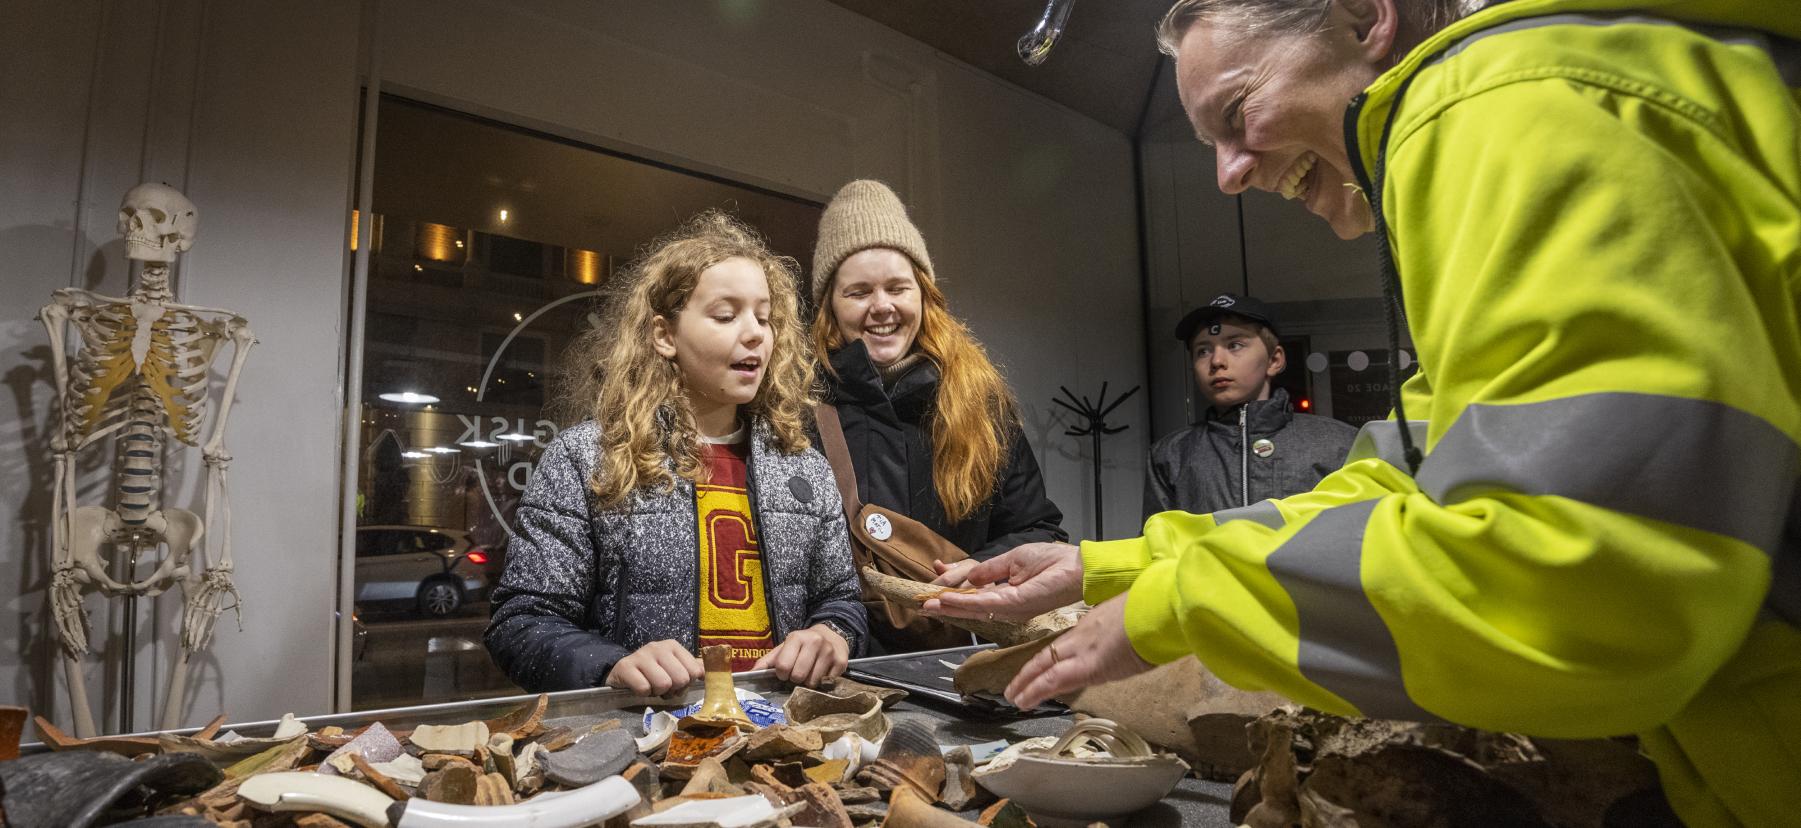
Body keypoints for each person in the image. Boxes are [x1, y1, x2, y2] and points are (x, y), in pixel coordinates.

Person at [928, 1, 1801, 825]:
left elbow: (1589, 589)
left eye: (1237, 112)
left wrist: (1185, 604)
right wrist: (1105, 568)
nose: (1229, 175)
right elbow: (1392, 485)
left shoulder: (1496, 106)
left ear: (1364, 17)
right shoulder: (1530, 107)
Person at [486, 211, 866, 696]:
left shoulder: (804, 466)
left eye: (765, 318)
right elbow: (520, 622)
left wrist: (831, 635)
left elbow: (841, 600)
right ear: (665, 336)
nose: (755, 333)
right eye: (726, 315)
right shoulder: (589, 457)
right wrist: (611, 665)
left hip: (779, 733)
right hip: (645, 742)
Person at [809, 180, 1067, 622]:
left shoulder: (978, 404)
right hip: (834, 662)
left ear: (925, 296)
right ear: (829, 306)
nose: (882, 306)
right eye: (858, 292)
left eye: (898, 288)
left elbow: (1038, 529)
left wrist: (983, 570)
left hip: (954, 655)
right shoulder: (796, 410)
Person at [1145, 292, 1355, 518]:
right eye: (1203, 351)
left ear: (1274, 360)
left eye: (1235, 345)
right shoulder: (1171, 454)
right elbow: (1158, 545)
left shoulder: (1338, 444)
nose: (1216, 361)